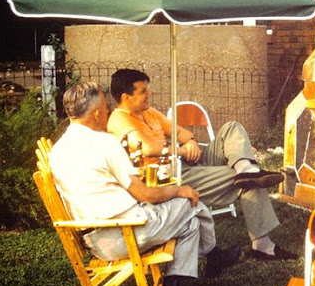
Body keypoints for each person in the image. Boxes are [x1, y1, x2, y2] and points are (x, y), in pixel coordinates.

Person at [48, 82, 240, 286]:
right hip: (126, 233)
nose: (108, 112)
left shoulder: (58, 150)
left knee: (189, 222)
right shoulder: (105, 142)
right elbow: (146, 194)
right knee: (190, 205)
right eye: (106, 107)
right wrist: (179, 190)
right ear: (97, 113)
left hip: (94, 238)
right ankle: (207, 260)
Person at [107, 69, 297, 260]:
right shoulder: (119, 119)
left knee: (231, 128)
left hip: (183, 163)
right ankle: (262, 245)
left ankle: (244, 169)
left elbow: (181, 133)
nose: (149, 94)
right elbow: (147, 148)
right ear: (126, 97)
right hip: (168, 178)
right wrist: (181, 150)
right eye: (143, 91)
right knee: (248, 180)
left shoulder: (150, 113)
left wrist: (190, 142)